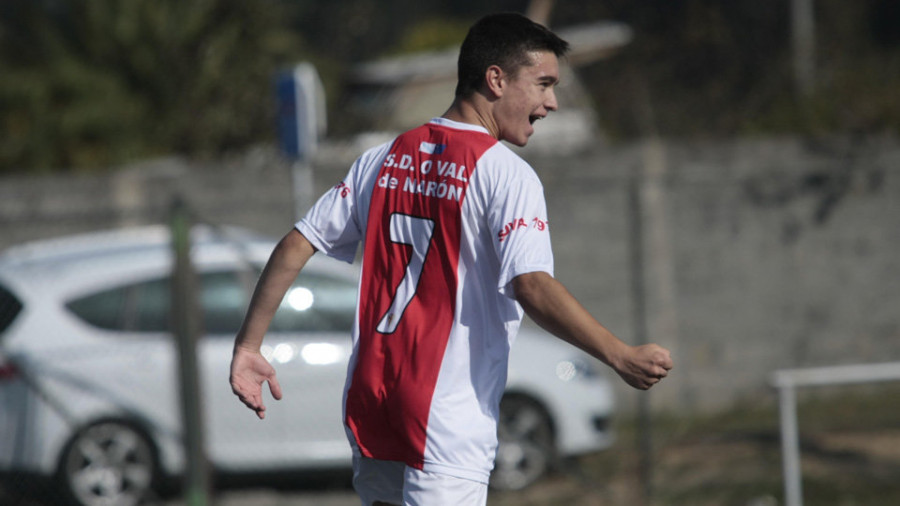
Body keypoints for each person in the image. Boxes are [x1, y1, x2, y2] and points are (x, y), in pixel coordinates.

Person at [230, 12, 673, 506]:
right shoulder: (507, 175)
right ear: (496, 79)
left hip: (373, 401)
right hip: (443, 417)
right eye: (544, 84)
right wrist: (619, 354)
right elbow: (531, 285)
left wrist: (249, 346)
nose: (551, 102)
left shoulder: (382, 158)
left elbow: (296, 243)